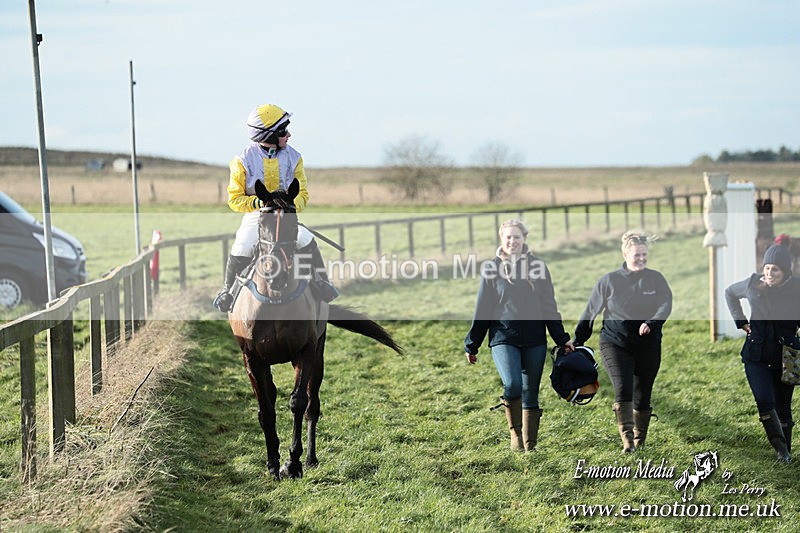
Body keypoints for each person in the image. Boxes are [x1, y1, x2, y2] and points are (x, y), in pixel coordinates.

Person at [213, 103, 338, 312]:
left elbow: (303, 194)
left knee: (306, 240)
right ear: (269, 135)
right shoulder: (242, 160)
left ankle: (323, 282)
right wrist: (260, 203)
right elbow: (234, 199)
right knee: (242, 245)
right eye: (283, 131)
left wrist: (289, 206)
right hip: (258, 215)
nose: (288, 135)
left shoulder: (294, 157)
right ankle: (226, 291)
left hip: (286, 214)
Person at [464, 219, 575, 452]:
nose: (512, 241)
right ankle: (515, 434)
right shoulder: (491, 269)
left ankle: (530, 444)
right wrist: (472, 344)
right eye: (508, 237)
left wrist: (562, 338)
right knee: (513, 384)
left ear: (524, 239)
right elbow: (482, 308)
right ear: (501, 239)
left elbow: (549, 306)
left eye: (517, 237)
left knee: (530, 392)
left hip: (535, 339)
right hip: (503, 337)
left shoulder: (539, 267)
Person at [573, 230, 672, 453]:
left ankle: (640, 439)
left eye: (644, 255)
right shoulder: (609, 281)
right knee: (623, 387)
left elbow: (665, 305)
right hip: (615, 343)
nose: (641, 259)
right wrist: (577, 341)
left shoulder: (655, 279)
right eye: (637, 255)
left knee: (643, 394)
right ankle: (627, 440)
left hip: (648, 345)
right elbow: (591, 312)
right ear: (625, 254)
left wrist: (652, 323)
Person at [725, 234, 800, 462]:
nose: (768, 273)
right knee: (765, 402)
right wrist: (740, 321)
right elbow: (729, 293)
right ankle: (781, 450)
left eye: (775, 270)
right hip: (755, 356)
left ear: (785, 271)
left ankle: (785, 450)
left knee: (783, 407)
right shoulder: (752, 283)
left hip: (787, 357)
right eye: (766, 268)